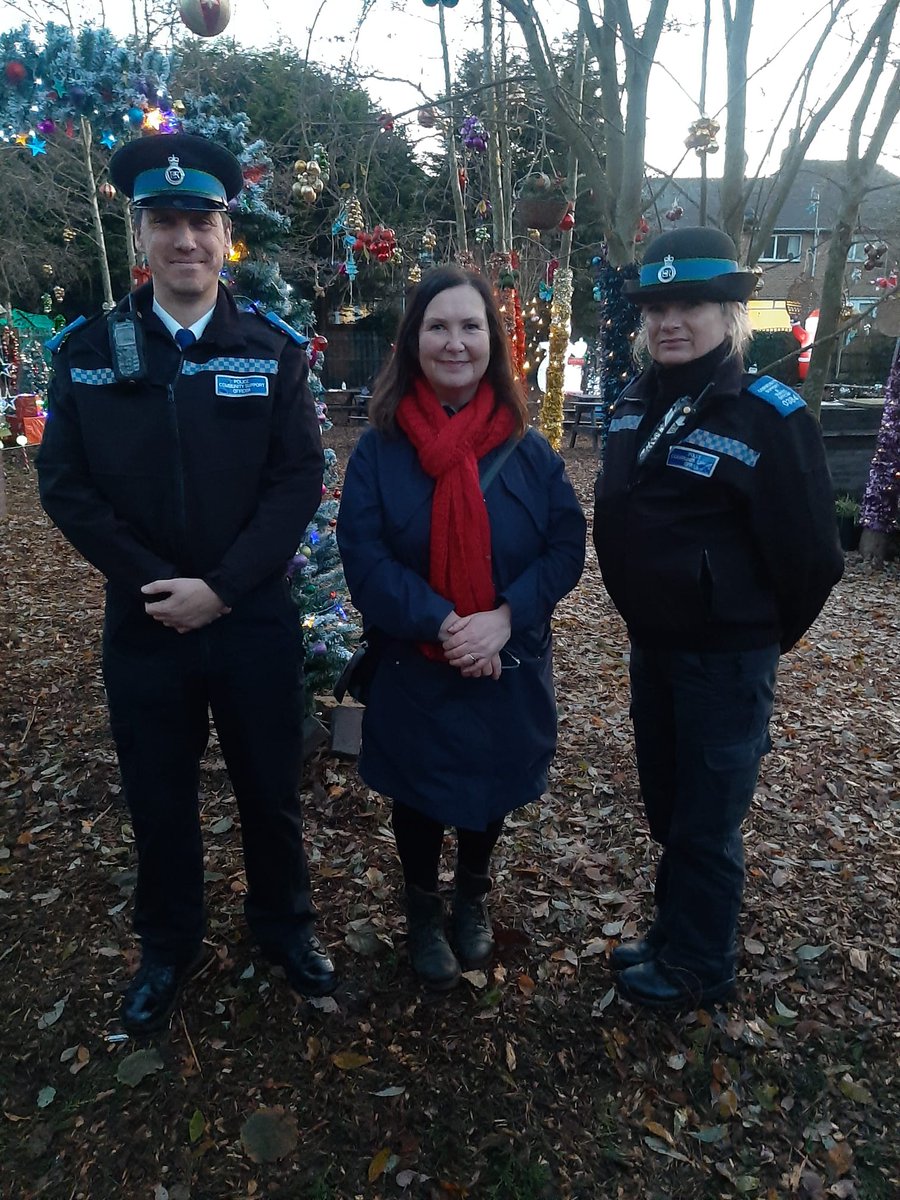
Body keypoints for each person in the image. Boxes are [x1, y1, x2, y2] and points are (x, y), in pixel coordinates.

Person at [36, 133, 336, 1034]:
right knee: (158, 797)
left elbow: (298, 481)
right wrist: (157, 584)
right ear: (141, 237)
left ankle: (283, 928)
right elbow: (66, 484)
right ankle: (168, 945)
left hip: (251, 622)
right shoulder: (89, 351)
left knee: (270, 790)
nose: (185, 241)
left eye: (200, 221)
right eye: (165, 222)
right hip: (145, 624)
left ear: (225, 233)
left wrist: (226, 588)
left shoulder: (272, 349)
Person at [593, 227, 844, 1011]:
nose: (672, 320)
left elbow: (813, 558)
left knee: (706, 820)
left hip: (726, 662)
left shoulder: (767, 417)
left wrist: (756, 639)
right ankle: (676, 931)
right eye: (658, 306)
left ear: (730, 312)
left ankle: (703, 963)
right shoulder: (635, 401)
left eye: (692, 303)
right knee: (670, 807)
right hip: (654, 650)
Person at [336, 266, 586, 991]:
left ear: (492, 341)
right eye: (438, 326)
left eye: (470, 326)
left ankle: (471, 897)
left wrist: (505, 618)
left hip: (505, 661)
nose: (454, 342)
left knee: (491, 789)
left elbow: (565, 546)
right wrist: (445, 623)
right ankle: (422, 909)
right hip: (417, 664)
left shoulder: (529, 452)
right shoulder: (381, 451)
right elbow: (364, 555)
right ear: (413, 340)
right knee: (419, 795)